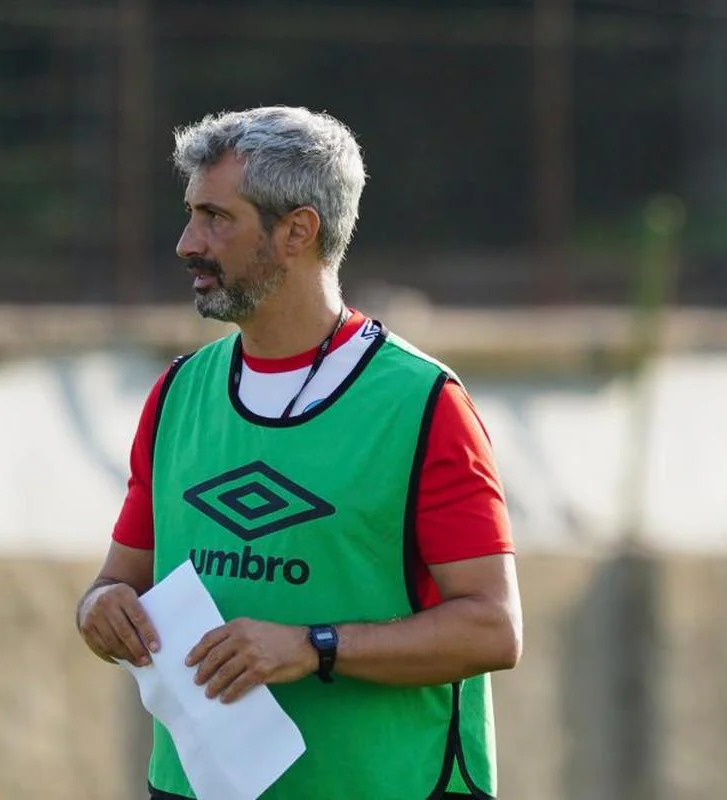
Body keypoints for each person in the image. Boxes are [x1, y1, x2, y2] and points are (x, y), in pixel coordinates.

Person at [76, 106, 522, 800]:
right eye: (192, 213)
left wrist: (314, 647)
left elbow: (493, 629)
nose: (187, 242)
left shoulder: (424, 403)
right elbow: (117, 583)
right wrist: (98, 611)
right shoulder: (177, 394)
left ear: (298, 231)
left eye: (216, 218)